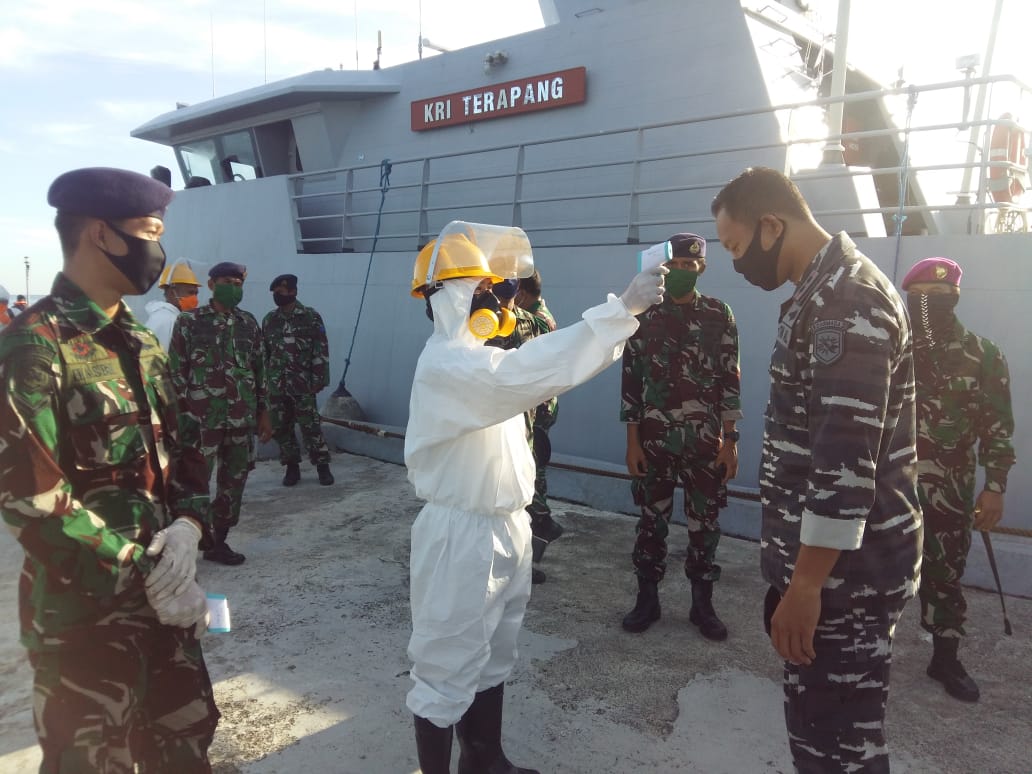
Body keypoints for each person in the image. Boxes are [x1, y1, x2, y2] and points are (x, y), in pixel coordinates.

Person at [405, 224, 665, 774]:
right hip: (461, 535)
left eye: (499, 291)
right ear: (447, 298)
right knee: (445, 666)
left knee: (494, 655)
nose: (497, 303)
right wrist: (622, 310)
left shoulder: (479, 359)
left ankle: (485, 759)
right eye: (484, 292)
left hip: (504, 526)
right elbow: (532, 370)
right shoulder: (449, 365)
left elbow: (526, 368)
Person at [0, 167, 219, 770]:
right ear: (101, 234)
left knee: (186, 745)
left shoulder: (141, 344)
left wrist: (190, 531)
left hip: (166, 606)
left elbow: (186, 447)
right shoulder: (33, 347)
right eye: (149, 231)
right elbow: (32, 499)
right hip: (85, 623)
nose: (158, 248)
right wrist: (144, 575)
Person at [711, 167, 921, 773]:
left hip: (842, 581)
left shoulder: (846, 301)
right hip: (824, 570)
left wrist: (805, 588)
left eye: (736, 245)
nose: (736, 262)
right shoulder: (817, 293)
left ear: (771, 226)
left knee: (839, 746)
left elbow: (843, 463)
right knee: (822, 732)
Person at [901, 257, 1015, 703]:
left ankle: (945, 657)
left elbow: (997, 426)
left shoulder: (984, 355)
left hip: (950, 491)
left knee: (946, 573)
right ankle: (863, 651)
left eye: (941, 296)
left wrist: (995, 486)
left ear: (956, 299)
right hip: (890, 486)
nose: (931, 303)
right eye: (923, 296)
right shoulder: (893, 348)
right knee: (869, 569)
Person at [620, 232, 742, 641]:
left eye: (689, 266)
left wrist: (731, 440)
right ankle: (647, 599)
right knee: (650, 522)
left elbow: (730, 379)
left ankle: (702, 604)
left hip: (705, 445)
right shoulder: (645, 315)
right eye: (674, 266)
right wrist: (632, 441)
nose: (680, 272)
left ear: (701, 269)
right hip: (654, 443)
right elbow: (632, 383)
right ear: (663, 268)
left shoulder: (718, 314)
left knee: (704, 525)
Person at [169, 261, 272, 566]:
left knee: (234, 483)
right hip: (201, 421)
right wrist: (177, 418)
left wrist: (265, 412)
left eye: (239, 283)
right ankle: (186, 543)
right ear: (212, 284)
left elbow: (259, 370)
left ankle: (219, 542)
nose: (234, 288)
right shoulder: (189, 322)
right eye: (228, 282)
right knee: (194, 484)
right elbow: (175, 372)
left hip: (241, 419)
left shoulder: (248, 323)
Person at [486, 277, 547, 584]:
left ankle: (523, 559)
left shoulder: (529, 324)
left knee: (519, 496)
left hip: (518, 428)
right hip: (498, 429)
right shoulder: (472, 324)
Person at [262, 273, 334, 486]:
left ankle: (322, 466)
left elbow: (321, 349)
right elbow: (264, 353)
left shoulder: (310, 317)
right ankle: (292, 467)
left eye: (281, 292)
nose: (277, 296)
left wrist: (320, 379)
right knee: (282, 428)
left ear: (293, 292)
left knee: (310, 426)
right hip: (277, 384)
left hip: (303, 383)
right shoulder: (269, 320)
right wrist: (265, 382)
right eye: (275, 293)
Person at [515, 271, 565, 552]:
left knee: (530, 474)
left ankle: (541, 526)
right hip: (538, 406)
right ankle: (540, 531)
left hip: (537, 410)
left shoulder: (536, 321)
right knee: (534, 472)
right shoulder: (540, 315)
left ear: (520, 291)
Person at [144, 258, 202, 350]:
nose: (194, 298)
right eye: (190, 292)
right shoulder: (166, 320)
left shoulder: (174, 317)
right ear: (172, 293)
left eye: (196, 293)